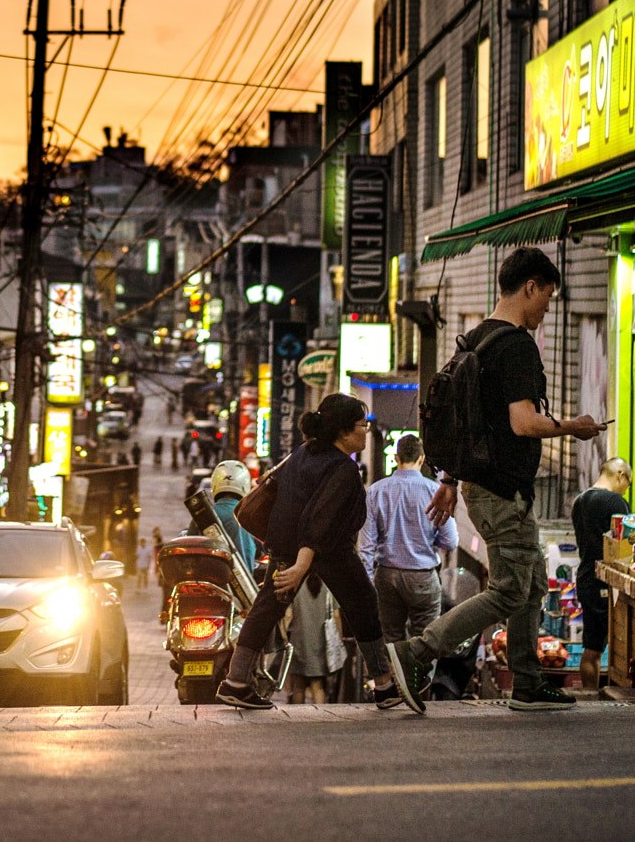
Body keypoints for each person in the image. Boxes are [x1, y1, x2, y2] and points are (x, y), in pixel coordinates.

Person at [390, 247, 600, 715]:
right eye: (547, 295)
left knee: (531, 586)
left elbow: (468, 422)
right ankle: (416, 652)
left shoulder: (476, 339)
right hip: (504, 490)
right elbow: (523, 423)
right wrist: (574, 426)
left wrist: (448, 478)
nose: (547, 307)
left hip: (483, 488)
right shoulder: (517, 346)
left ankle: (527, 682)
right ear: (530, 286)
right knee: (508, 588)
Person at [214, 394, 403, 711]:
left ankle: (236, 682)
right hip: (328, 551)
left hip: (285, 546)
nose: (365, 431)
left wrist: (295, 559)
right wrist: (303, 564)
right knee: (364, 603)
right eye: (362, 425)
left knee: (267, 608)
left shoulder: (304, 453)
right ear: (344, 431)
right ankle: (384, 684)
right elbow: (320, 518)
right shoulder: (343, 469)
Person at [361, 432, 457, 643]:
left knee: (391, 639)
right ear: (422, 459)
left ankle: (397, 676)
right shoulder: (434, 491)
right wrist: (429, 539)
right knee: (426, 640)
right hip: (423, 576)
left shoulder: (376, 491)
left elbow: (366, 546)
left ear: (396, 458)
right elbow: (450, 540)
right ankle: (419, 676)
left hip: (386, 575)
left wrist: (368, 583)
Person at [572, 458, 633, 692]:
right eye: (627, 482)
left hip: (586, 576)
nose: (626, 488)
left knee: (592, 647)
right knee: (617, 645)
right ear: (620, 475)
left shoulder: (580, 500)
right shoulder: (615, 502)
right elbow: (626, 543)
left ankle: (589, 694)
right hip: (608, 581)